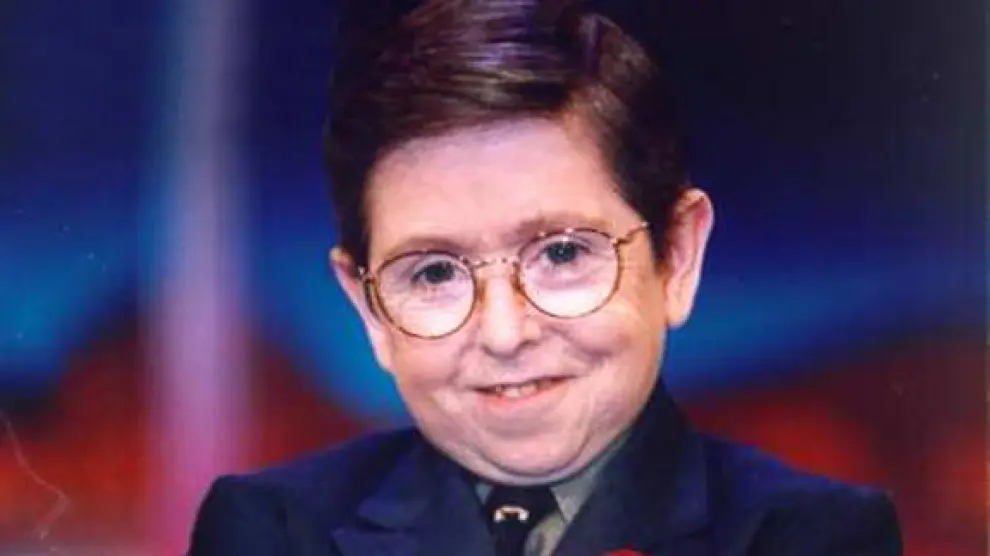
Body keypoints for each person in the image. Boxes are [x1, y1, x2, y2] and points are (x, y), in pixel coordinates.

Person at [188, 0, 903, 554]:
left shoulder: (808, 537)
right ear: (369, 308)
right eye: (434, 272)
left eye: (561, 254)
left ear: (677, 257)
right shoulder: (277, 531)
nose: (504, 333)